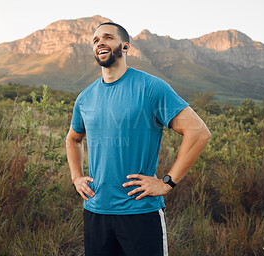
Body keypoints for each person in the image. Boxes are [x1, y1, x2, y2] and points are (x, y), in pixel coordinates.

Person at [66, 22, 211, 256]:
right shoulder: (85, 98)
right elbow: (73, 139)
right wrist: (76, 177)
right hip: (96, 211)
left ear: (125, 46)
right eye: (95, 40)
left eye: (108, 37)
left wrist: (167, 182)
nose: (100, 42)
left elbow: (198, 132)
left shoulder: (151, 87)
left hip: (140, 212)